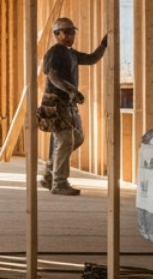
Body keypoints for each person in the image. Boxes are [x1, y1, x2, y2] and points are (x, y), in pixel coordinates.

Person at [40, 16, 108, 197]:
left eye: (72, 32)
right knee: (65, 141)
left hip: (68, 104)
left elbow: (92, 59)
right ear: (57, 34)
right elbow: (52, 76)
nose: (70, 36)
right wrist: (70, 90)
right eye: (66, 32)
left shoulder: (70, 53)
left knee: (77, 138)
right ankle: (59, 183)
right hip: (56, 103)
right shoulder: (55, 52)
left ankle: (50, 172)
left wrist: (104, 44)